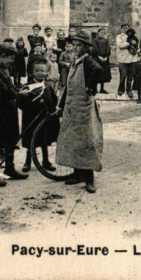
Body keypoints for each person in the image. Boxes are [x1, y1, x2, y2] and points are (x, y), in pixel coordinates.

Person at [55, 30, 103, 194]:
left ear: (86, 47)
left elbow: (99, 71)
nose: (75, 48)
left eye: (79, 45)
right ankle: (77, 173)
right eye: (74, 45)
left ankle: (89, 178)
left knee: (86, 142)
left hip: (84, 108)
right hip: (72, 107)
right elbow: (68, 87)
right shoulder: (74, 62)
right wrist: (60, 106)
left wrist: (91, 87)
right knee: (73, 142)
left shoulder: (88, 61)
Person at [0, 43, 28, 186]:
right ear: (2, 56)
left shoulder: (3, 68)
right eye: (10, 58)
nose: (12, 61)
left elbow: (9, 87)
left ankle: (9, 168)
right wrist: (19, 93)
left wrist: (19, 89)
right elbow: (4, 92)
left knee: (11, 139)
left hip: (8, 109)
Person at [19, 58, 58, 174]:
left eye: (43, 71)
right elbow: (21, 101)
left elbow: (53, 99)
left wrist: (51, 107)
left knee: (44, 140)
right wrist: (33, 104)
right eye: (37, 71)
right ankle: (27, 161)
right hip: (31, 117)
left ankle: (46, 161)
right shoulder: (27, 86)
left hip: (43, 118)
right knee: (30, 139)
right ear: (32, 73)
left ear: (47, 73)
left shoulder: (47, 86)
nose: (40, 73)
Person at [116, 23, 135, 99]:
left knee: (130, 77)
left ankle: (129, 90)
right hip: (122, 59)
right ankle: (121, 89)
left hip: (132, 59)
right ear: (121, 29)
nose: (125, 29)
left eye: (127, 28)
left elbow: (136, 44)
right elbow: (120, 45)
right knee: (123, 76)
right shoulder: (119, 36)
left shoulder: (132, 36)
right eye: (124, 28)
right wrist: (129, 43)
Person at [92, 27, 112, 94]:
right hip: (97, 59)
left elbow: (108, 48)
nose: (102, 34)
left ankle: (102, 89)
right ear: (98, 33)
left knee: (103, 74)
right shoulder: (94, 40)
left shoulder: (106, 41)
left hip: (105, 59)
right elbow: (94, 49)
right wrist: (98, 56)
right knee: (96, 73)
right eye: (101, 32)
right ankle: (94, 89)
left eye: (104, 33)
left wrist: (106, 56)